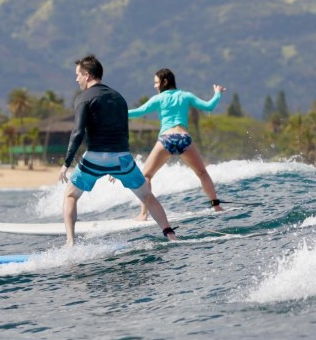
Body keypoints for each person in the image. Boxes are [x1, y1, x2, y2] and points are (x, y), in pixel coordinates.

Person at [58, 55, 178, 246]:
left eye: (78, 75)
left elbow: (78, 132)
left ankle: (70, 243)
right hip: (122, 158)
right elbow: (123, 130)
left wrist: (66, 163)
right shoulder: (119, 97)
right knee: (146, 196)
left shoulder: (83, 98)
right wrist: (117, 165)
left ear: (87, 75)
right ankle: (171, 235)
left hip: (95, 158)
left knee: (70, 195)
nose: (76, 79)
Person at [128, 68, 226, 220]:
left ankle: (143, 214)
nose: (155, 86)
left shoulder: (158, 99)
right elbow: (209, 106)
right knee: (202, 173)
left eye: (156, 82)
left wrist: (116, 111)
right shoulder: (186, 95)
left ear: (165, 82)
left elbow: (138, 112)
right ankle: (216, 205)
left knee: (146, 176)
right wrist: (218, 93)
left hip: (166, 139)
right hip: (184, 138)